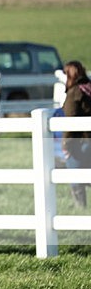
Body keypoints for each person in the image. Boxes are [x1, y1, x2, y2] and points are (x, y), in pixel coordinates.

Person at [61, 60, 91, 208]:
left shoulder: (75, 93)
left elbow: (70, 122)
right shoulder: (88, 88)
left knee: (75, 175)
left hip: (81, 142)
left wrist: (66, 145)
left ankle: (81, 209)